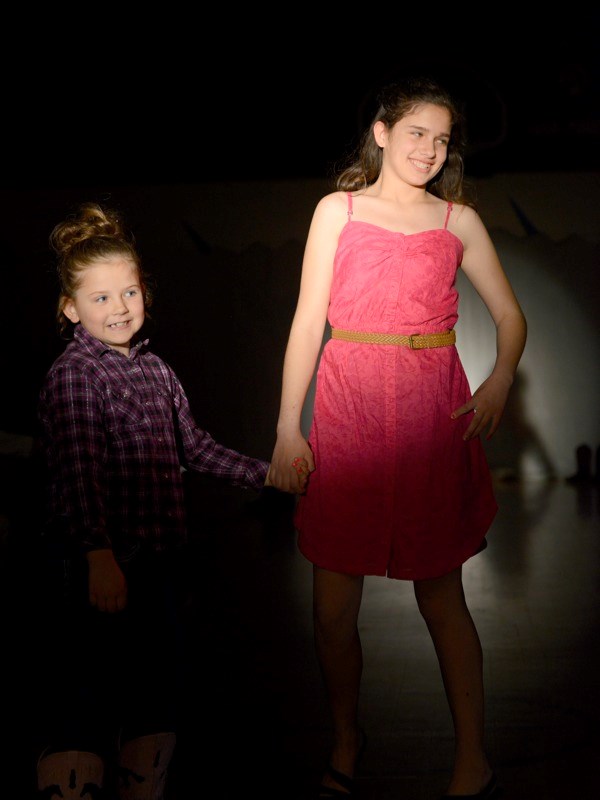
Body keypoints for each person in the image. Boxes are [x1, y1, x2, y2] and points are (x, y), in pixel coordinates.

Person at [268, 76, 527, 800]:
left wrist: (501, 379)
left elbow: (511, 317)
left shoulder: (458, 222)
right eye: (417, 132)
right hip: (348, 409)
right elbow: (305, 323)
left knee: (442, 598)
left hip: (429, 414)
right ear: (381, 132)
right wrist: (289, 428)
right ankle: (348, 737)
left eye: (443, 140)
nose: (430, 150)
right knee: (330, 610)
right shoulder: (338, 211)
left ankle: (472, 757)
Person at [34, 202, 308, 800]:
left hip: (158, 565)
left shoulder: (157, 371)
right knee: (88, 694)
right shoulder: (76, 374)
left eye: (128, 293)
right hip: (99, 567)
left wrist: (268, 474)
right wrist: (98, 557)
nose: (118, 309)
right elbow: (78, 476)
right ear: (70, 308)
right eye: (100, 298)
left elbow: (196, 449)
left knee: (155, 693)